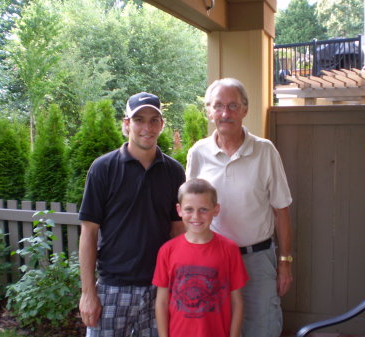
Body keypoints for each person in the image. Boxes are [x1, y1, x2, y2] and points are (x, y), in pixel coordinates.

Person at [186, 78, 293, 337]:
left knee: (262, 328)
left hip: (257, 260)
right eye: (219, 106)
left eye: (233, 106)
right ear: (209, 111)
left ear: (245, 110)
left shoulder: (265, 151)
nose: (225, 113)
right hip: (213, 261)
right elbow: (190, 212)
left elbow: (282, 211)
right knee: (216, 329)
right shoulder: (198, 153)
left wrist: (285, 262)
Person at [78, 92, 186, 337]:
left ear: (162, 125)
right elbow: (89, 233)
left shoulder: (174, 172)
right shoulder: (103, 168)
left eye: (153, 120)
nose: (147, 127)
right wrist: (87, 293)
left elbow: (177, 231)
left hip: (158, 289)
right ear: (126, 124)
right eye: (138, 119)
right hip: (113, 288)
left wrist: (175, 286)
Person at [152, 178, 248, 337]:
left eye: (203, 209)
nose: (196, 216)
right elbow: (161, 302)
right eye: (189, 209)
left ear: (216, 210)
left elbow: (237, 302)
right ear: (179, 210)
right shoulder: (167, 251)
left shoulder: (229, 249)